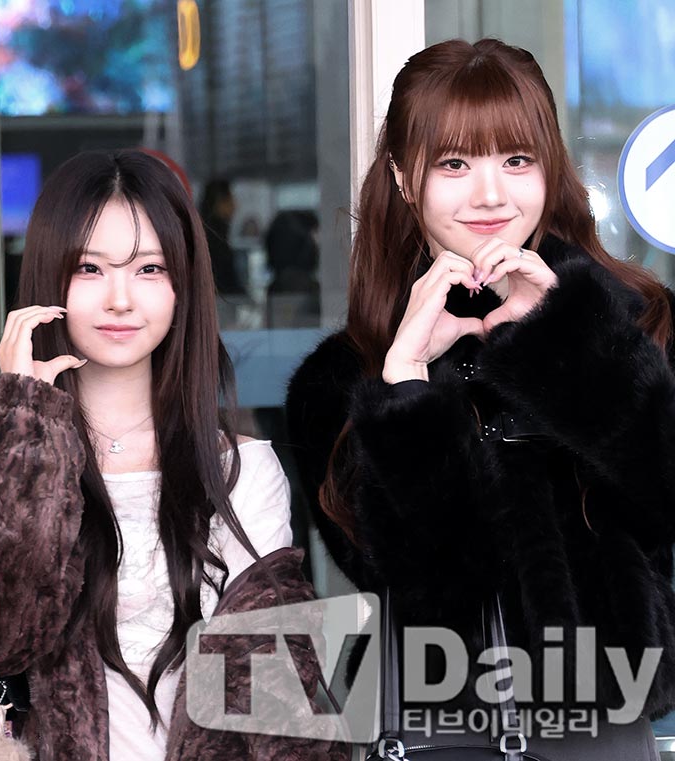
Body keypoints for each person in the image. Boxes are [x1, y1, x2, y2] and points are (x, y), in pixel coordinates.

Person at [286, 38, 675, 758]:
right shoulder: (343, 380)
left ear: (550, 166)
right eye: (454, 164)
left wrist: (567, 343)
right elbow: (424, 586)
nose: (491, 194)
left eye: (517, 160)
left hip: (602, 732)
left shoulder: (640, 325)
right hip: (441, 736)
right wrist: (407, 382)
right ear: (404, 177)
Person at [0, 149, 347, 760]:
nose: (119, 299)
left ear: (182, 286)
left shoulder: (239, 471)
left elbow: (281, 708)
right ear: (49, 278)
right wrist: (22, 428)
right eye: (90, 268)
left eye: (149, 269)